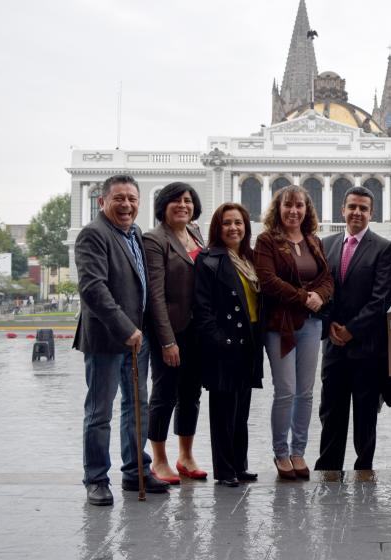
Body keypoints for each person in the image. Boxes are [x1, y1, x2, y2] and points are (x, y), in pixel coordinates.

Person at [75, 174, 169, 506]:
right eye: (119, 198)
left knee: (136, 407)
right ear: (102, 202)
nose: (126, 204)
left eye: (132, 198)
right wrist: (125, 327)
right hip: (106, 338)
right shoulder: (93, 234)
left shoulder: (135, 235)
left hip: (137, 339)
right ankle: (96, 479)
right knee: (100, 411)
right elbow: (93, 289)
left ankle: (135, 472)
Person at [254, 185, 333, 480]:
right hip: (281, 325)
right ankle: (281, 453)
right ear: (279, 208)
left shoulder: (314, 241)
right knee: (286, 390)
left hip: (311, 325)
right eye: (288, 205)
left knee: (306, 393)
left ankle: (299, 450)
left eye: (299, 205)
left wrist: (320, 297)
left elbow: (327, 277)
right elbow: (268, 280)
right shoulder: (267, 241)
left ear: (306, 210)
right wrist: (304, 298)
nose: (293, 211)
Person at [314, 186, 391, 471]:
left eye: (363, 208)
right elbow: (320, 289)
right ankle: (328, 467)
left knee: (364, 411)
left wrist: (352, 329)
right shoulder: (325, 245)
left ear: (371, 213)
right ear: (343, 210)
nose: (357, 213)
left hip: (367, 346)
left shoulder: (384, 248)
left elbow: (381, 298)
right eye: (352, 207)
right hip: (334, 345)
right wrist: (331, 323)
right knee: (331, 409)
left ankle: (364, 467)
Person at [193, 203, 263, 487]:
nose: (234, 228)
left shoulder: (249, 258)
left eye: (239, 222)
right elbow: (202, 307)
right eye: (227, 223)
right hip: (225, 343)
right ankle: (224, 470)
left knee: (241, 409)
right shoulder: (209, 259)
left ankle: (239, 464)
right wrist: (219, 341)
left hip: (250, 339)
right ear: (217, 228)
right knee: (223, 411)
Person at [143, 182, 207, 484]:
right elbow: (155, 295)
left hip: (197, 330)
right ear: (163, 205)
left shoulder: (195, 233)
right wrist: (167, 340)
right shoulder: (154, 240)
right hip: (169, 330)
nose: (183, 205)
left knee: (191, 394)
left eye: (188, 200)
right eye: (176, 201)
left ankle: (186, 454)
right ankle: (159, 458)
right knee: (164, 394)